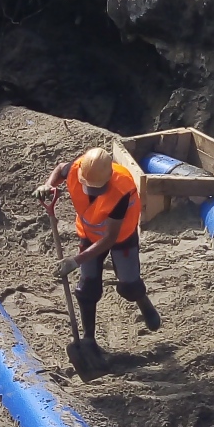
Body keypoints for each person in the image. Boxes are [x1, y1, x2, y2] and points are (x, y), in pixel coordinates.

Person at [37, 147, 160, 353]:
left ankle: (141, 299)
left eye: (98, 188)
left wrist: (75, 260)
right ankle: (89, 341)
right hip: (88, 234)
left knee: (129, 285)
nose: (92, 192)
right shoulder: (78, 169)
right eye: (89, 187)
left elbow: (110, 237)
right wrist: (48, 185)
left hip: (121, 237)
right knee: (87, 289)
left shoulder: (122, 189)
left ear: (110, 177)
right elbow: (60, 169)